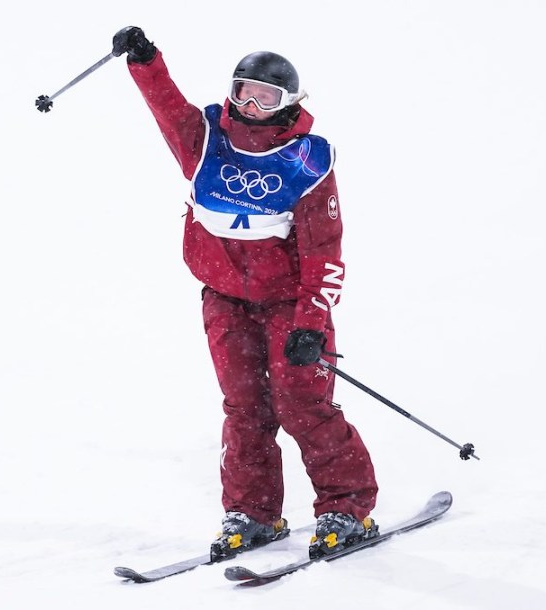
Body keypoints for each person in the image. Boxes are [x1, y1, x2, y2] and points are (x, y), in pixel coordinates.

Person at [111, 26, 379, 560]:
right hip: (225, 299)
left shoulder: (306, 162)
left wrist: (310, 323)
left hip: (289, 305)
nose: (252, 106)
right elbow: (168, 108)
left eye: (266, 97)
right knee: (245, 407)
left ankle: (346, 509)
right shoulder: (206, 140)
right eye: (242, 92)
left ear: (289, 104)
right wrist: (145, 62)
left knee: (302, 402)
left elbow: (324, 253)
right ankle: (253, 513)